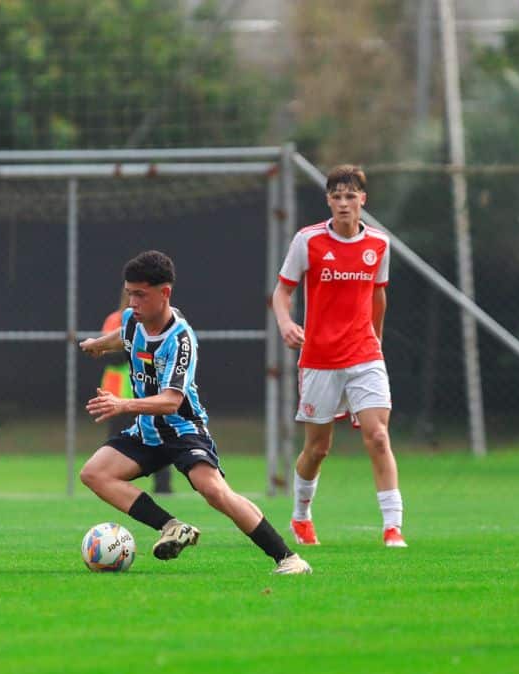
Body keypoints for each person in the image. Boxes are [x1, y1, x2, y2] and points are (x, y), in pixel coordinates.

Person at [78, 250, 311, 575]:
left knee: (215, 492)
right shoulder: (133, 318)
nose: (132, 303)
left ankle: (289, 558)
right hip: (147, 430)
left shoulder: (181, 339)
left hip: (183, 429)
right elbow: (126, 336)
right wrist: (101, 343)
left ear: (165, 293)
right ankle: (172, 527)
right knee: (93, 473)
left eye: (140, 295)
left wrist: (122, 404)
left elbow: (172, 401)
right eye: (130, 293)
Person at [271, 164, 406, 548]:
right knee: (318, 449)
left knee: (378, 436)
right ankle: (300, 517)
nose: (344, 203)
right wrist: (285, 324)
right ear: (328, 200)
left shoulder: (379, 244)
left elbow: (379, 294)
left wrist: (375, 341)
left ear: (363, 200)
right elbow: (282, 293)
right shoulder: (308, 241)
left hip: (365, 355)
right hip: (320, 359)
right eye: (337, 196)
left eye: (351, 196)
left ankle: (393, 527)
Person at [100, 299, 173, 494]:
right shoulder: (116, 320)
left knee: (156, 438)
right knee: (116, 443)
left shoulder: (155, 322)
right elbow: (108, 355)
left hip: (146, 394)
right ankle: (109, 484)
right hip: (117, 395)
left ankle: (163, 488)